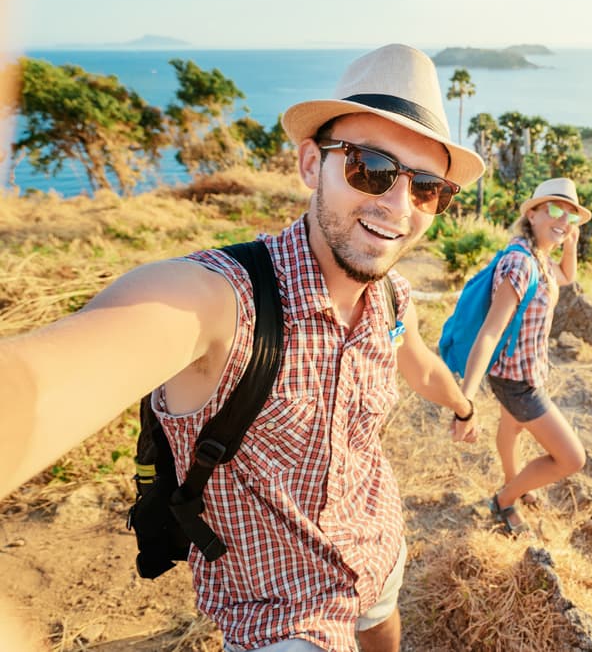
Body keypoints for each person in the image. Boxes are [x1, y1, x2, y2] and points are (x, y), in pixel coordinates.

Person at [0, 44, 486, 652]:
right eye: (371, 168)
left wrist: (463, 407)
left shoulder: (390, 299)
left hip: (377, 545)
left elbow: (420, 364)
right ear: (310, 163)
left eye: (427, 188)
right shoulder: (221, 302)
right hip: (281, 611)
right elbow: (42, 383)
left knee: (383, 622)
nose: (398, 206)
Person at [458, 178, 591, 536]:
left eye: (571, 216)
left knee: (512, 427)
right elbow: (490, 332)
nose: (563, 220)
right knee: (571, 458)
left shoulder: (538, 256)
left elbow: (566, 275)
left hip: (518, 371)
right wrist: (465, 401)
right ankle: (505, 500)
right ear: (532, 214)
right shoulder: (521, 264)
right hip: (517, 382)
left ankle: (512, 480)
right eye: (554, 210)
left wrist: (569, 242)